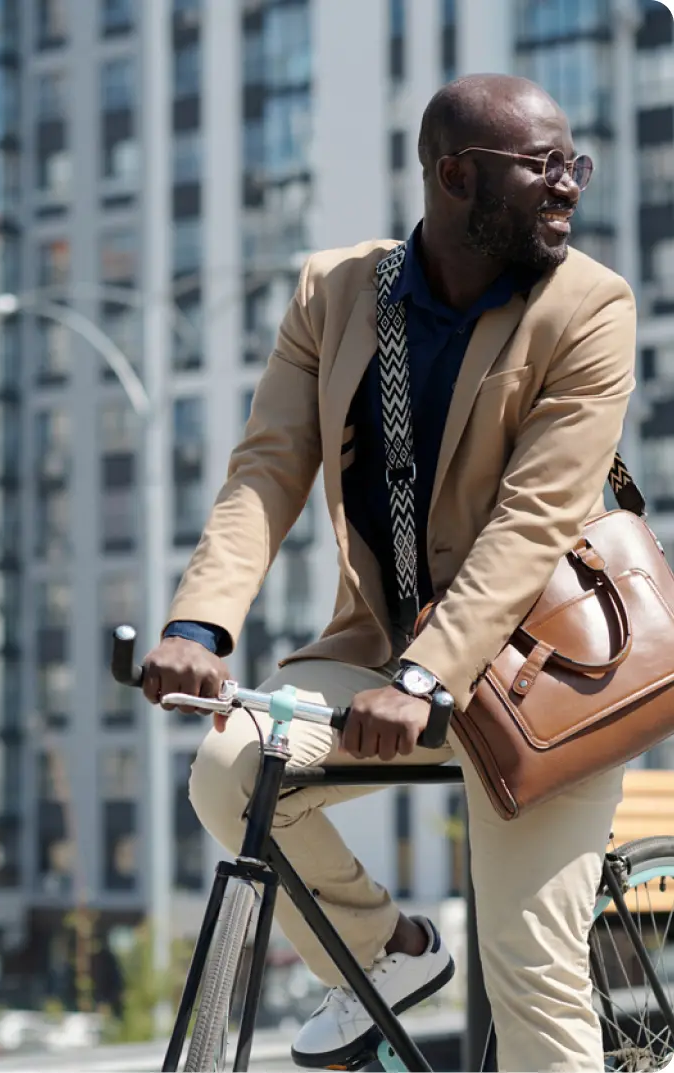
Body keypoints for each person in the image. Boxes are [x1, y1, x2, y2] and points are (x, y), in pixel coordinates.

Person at [142, 74, 635, 1073]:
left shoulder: (589, 305)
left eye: (572, 163)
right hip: (382, 654)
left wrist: (428, 675)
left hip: (544, 672)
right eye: (542, 167)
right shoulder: (336, 290)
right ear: (457, 176)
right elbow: (266, 470)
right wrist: (197, 628)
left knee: (530, 971)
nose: (569, 187)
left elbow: (534, 516)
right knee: (232, 767)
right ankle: (391, 951)